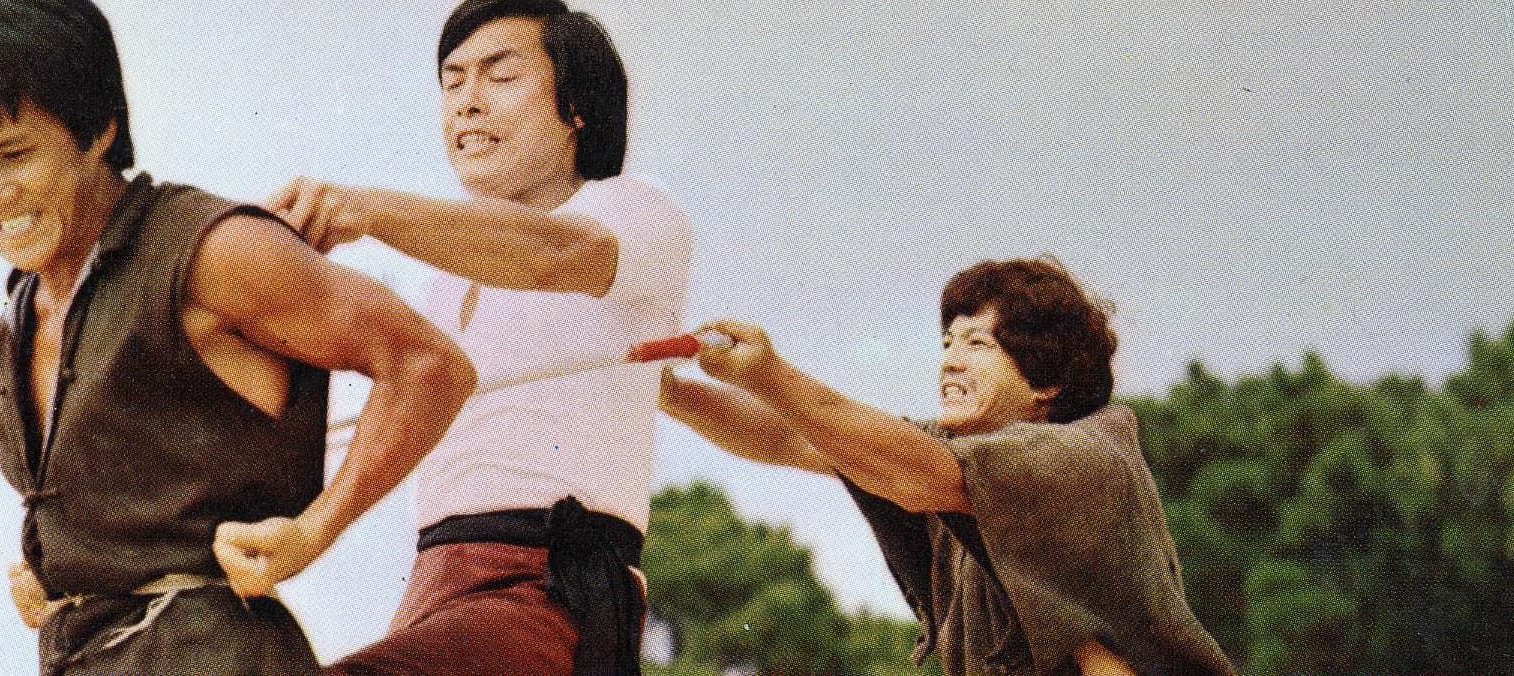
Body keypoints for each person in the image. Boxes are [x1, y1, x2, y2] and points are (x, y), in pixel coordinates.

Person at [0, 1, 476, 673]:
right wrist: (66, 572)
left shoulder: (210, 251)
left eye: (14, 155)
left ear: (98, 128)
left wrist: (313, 531)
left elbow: (428, 364)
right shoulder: (21, 316)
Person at [219, 0, 692, 672]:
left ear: (576, 108)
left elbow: (556, 253)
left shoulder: (633, 209)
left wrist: (366, 210)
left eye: (501, 76)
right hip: (432, 587)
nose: (467, 102)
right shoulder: (441, 281)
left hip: (550, 592)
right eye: (452, 81)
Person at [660, 258, 1233, 675]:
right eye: (948, 343)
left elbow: (913, 472)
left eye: (977, 344)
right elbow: (794, 435)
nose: (951, 362)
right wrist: (665, 391)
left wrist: (770, 375)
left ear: (1046, 380)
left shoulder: (1083, 459)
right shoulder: (961, 460)